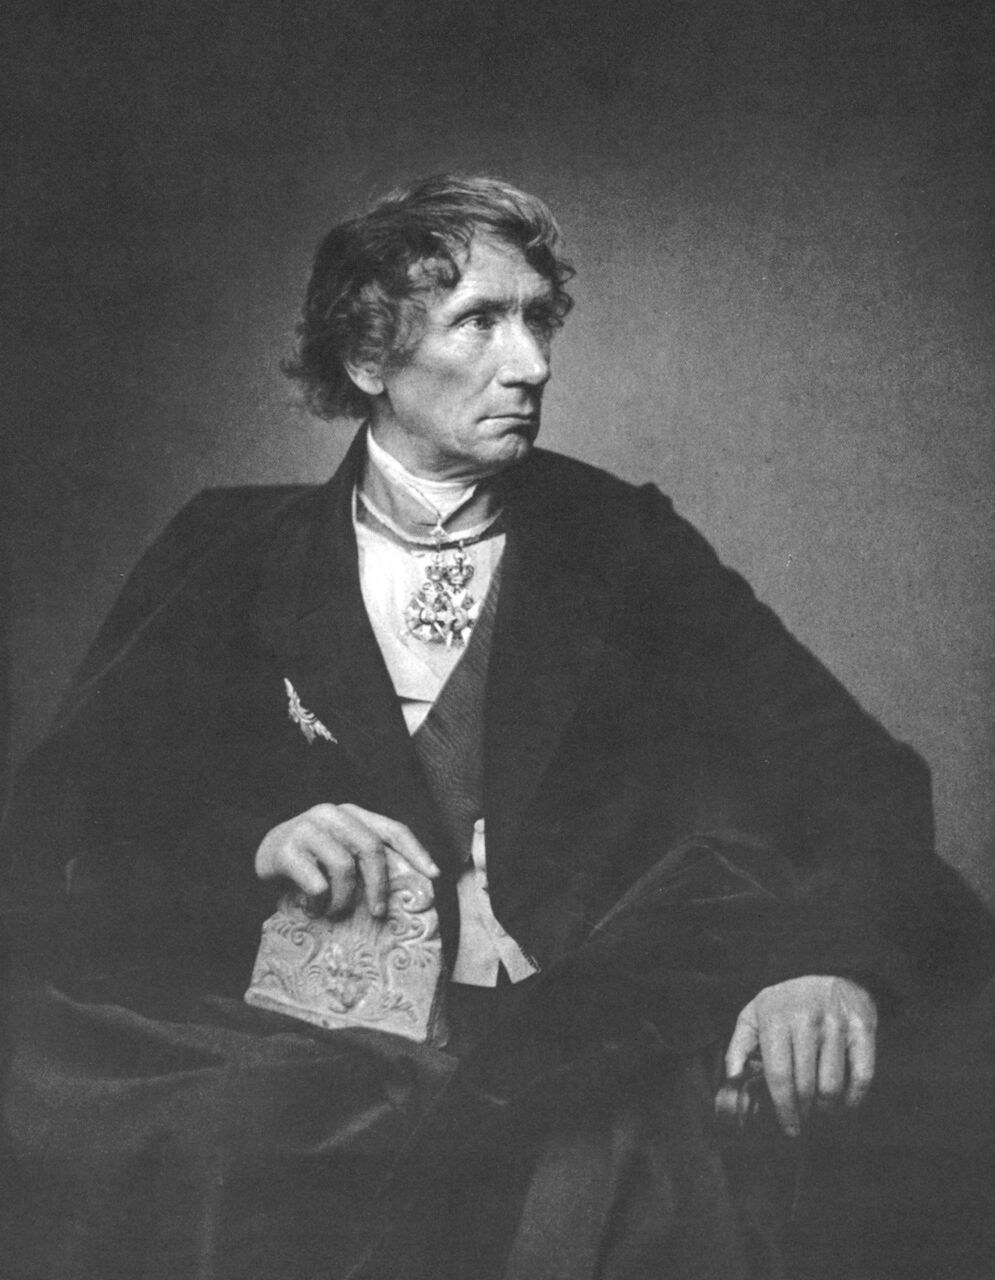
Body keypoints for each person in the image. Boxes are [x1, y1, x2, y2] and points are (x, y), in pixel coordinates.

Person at [0, 174, 990, 1280]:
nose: (532, 364)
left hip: (579, 1040)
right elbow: (71, 825)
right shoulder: (229, 553)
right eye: (479, 321)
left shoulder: (622, 542)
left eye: (536, 320)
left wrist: (826, 959)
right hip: (312, 1046)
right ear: (367, 356)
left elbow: (853, 771)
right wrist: (258, 838)